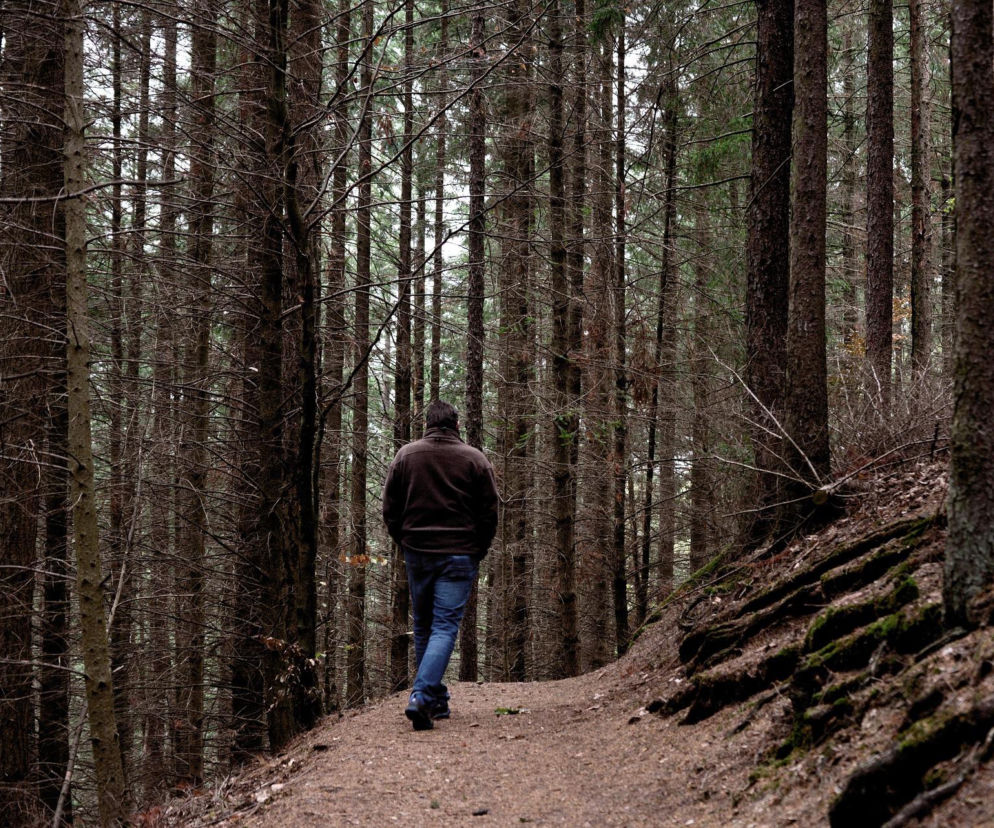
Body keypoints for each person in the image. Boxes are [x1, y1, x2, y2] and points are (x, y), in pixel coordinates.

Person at [382, 400, 499, 730]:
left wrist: (404, 541)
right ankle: (422, 696)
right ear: (456, 424)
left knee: (424, 625)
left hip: (418, 553)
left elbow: (389, 509)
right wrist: (478, 549)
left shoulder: (406, 456)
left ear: (428, 424)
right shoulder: (475, 459)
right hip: (459, 554)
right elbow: (490, 513)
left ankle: (434, 701)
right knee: (445, 626)